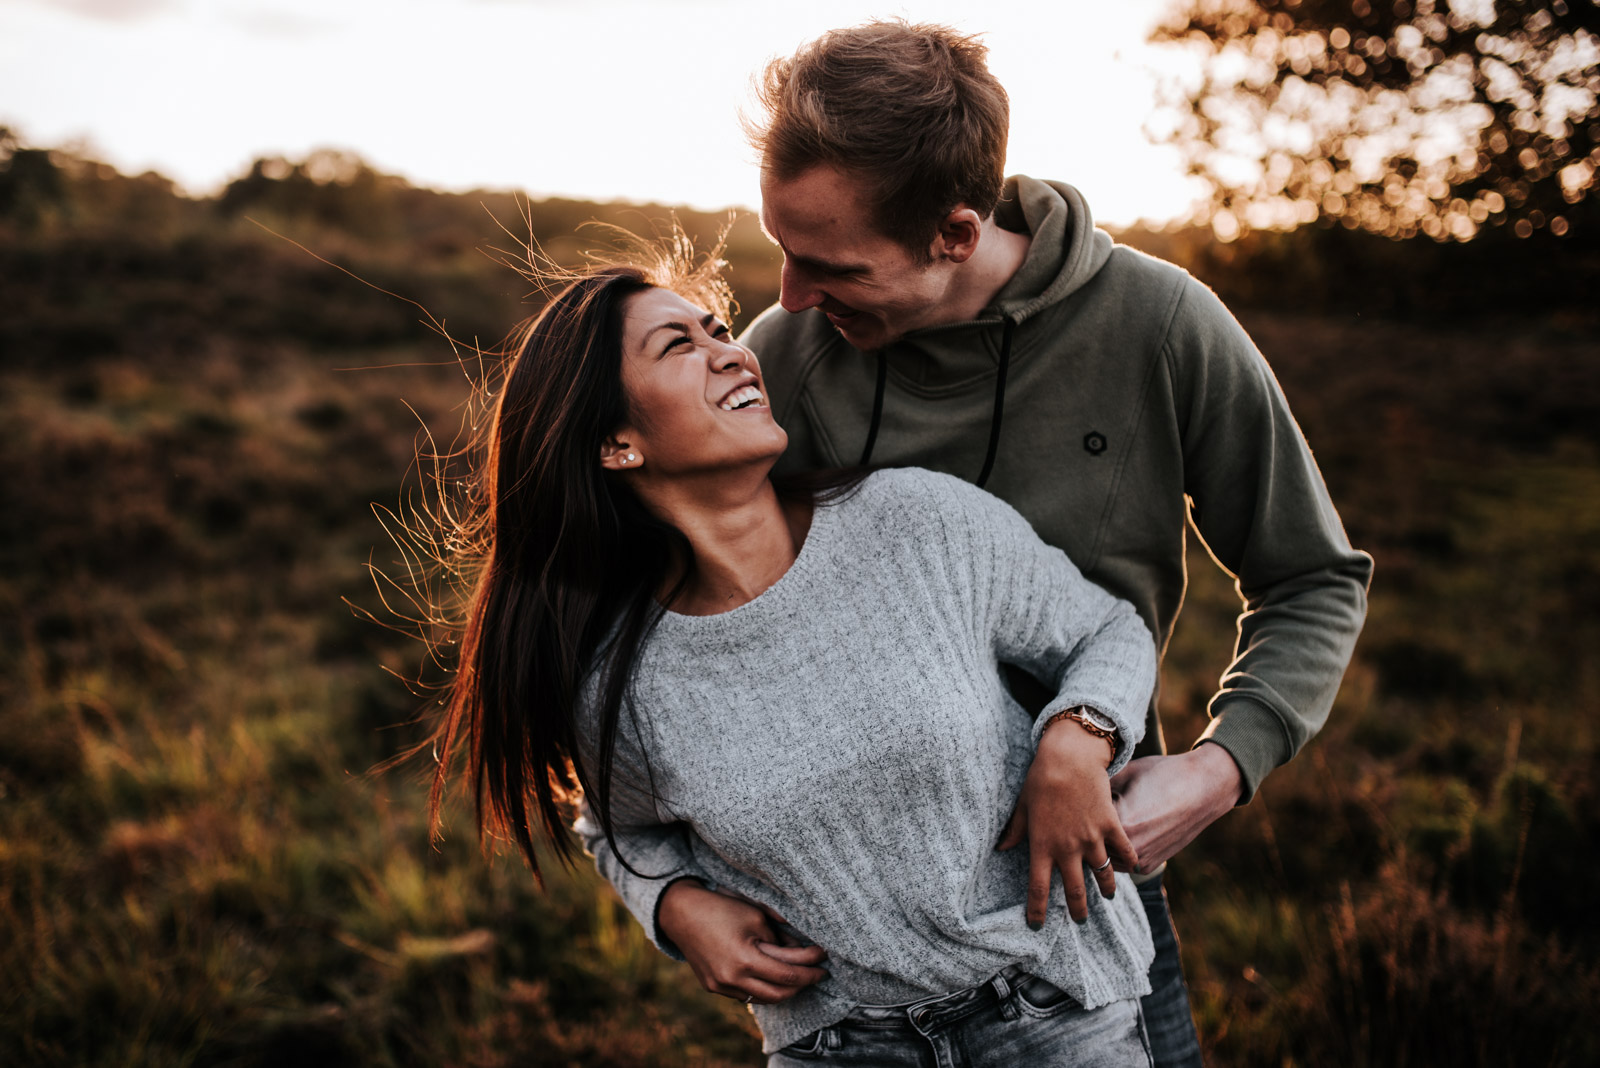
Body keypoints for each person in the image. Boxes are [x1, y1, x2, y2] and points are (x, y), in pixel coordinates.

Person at [728, 20, 1375, 1066]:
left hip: (1095, 887)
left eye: (827, 264)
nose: (790, 295)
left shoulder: (1163, 325)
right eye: (781, 250)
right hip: (856, 939)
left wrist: (1216, 772)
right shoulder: (782, 359)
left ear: (953, 232)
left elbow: (1310, 576)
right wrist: (674, 896)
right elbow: (661, 626)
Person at [419, 241, 1169, 1064]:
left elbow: (1109, 631)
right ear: (616, 444)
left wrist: (1078, 736)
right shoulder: (621, 682)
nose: (733, 352)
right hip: (839, 1046)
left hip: (1053, 1008)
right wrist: (670, 904)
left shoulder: (915, 524)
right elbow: (616, 824)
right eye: (680, 346)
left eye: (717, 330)